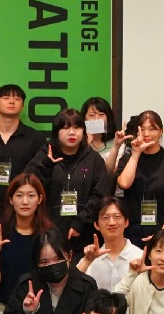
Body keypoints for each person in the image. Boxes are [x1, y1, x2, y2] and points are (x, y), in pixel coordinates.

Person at [25, 107, 113, 250]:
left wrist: (81, 222)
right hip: (47, 230)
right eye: (66, 128)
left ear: (84, 131)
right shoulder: (45, 155)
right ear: (56, 132)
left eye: (77, 127)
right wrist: (47, 165)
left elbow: (100, 194)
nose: (72, 132)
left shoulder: (93, 159)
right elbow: (28, 188)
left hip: (84, 233)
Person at [0, 172, 52, 314]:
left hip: (41, 311)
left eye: (31, 196)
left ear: (40, 199)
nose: (25, 201)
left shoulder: (49, 236)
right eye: (19, 195)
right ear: (11, 200)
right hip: (6, 312)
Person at [77, 198, 144, 314]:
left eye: (117, 217)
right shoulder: (90, 258)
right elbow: (69, 287)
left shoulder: (140, 257)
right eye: (105, 217)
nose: (111, 222)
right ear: (96, 224)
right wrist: (87, 261)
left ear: (126, 222)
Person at [115, 110, 164, 244]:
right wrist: (136, 153)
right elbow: (124, 183)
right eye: (142, 129)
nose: (147, 134)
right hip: (131, 230)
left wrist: (162, 232)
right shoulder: (127, 158)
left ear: (161, 131)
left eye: (152, 129)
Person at [0, 84, 48, 209]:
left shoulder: (35, 138)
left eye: (17, 98)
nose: (12, 101)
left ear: (22, 106)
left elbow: (41, 176)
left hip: (24, 207)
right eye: (6, 98)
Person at [81, 96, 124, 173]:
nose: (96, 118)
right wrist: (85, 147)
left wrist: (116, 146)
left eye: (101, 114)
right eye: (91, 115)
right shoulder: (79, 142)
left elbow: (109, 173)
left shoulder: (117, 142)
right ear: (84, 119)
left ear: (108, 118)